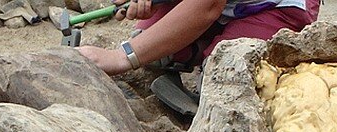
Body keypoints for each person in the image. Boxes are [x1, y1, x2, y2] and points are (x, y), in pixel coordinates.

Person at [77, 0, 320, 75]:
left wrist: (123, 56)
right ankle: (200, 47)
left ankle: (208, 51)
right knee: (150, 45)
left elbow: (208, 6)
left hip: (277, 7)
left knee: (225, 75)